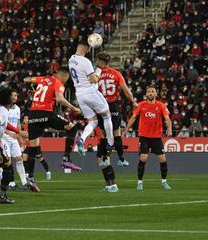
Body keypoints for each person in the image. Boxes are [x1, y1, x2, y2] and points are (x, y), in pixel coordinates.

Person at [68, 39, 118, 193]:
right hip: (90, 92)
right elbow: (93, 79)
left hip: (80, 94)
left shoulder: (71, 59)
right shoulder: (85, 61)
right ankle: (111, 143)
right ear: (87, 48)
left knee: (93, 122)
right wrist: (98, 70)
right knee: (107, 115)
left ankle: (82, 139)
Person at [23, 67, 82, 185]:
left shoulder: (43, 79)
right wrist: (74, 108)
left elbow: (26, 79)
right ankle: (66, 159)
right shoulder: (58, 83)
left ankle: (30, 178)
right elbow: (60, 99)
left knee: (33, 148)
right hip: (46, 113)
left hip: (33, 114)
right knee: (73, 128)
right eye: (67, 78)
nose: (66, 80)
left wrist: (31, 89)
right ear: (64, 76)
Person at [125, 85, 172, 191]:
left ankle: (164, 182)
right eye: (149, 91)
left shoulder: (161, 105)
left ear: (156, 94)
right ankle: (140, 182)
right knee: (143, 158)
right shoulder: (141, 105)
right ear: (146, 94)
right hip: (144, 136)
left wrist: (169, 128)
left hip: (156, 137)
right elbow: (133, 117)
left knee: (162, 159)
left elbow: (167, 118)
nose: (151, 93)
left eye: (153, 91)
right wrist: (127, 129)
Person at [96, 52, 137, 168]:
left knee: (103, 134)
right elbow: (126, 91)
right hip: (113, 105)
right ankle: (121, 159)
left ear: (99, 61)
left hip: (100, 105)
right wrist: (133, 101)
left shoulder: (94, 75)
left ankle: (104, 159)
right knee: (116, 132)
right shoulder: (116, 74)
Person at [0, 89, 32, 204]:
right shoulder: (3, 109)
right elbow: (1, 125)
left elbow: (17, 123)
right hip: (3, 137)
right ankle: (7, 183)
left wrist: (19, 136)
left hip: (13, 137)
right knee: (6, 161)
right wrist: (9, 133)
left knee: (19, 159)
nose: (15, 97)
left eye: (16, 95)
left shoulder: (17, 109)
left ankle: (24, 183)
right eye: (13, 95)